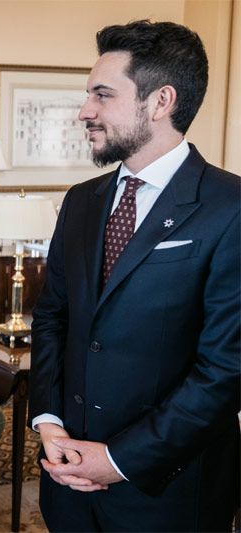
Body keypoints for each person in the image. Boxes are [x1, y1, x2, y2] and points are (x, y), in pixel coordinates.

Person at [29, 20, 240, 531]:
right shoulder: (81, 201)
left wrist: (120, 459)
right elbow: (52, 318)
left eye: (102, 94)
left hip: (168, 491)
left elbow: (224, 370)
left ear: (161, 100)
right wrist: (49, 423)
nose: (85, 111)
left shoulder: (230, 208)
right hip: (68, 484)